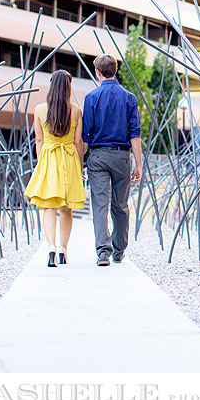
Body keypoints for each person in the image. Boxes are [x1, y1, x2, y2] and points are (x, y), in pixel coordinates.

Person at [82, 54, 143, 266]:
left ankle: (102, 252)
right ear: (114, 70)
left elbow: (86, 134)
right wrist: (139, 164)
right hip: (121, 156)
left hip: (98, 156)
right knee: (120, 205)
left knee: (100, 204)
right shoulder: (129, 98)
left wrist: (82, 162)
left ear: (98, 73)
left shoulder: (91, 97)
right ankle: (119, 251)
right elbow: (135, 133)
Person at [24, 70, 86, 267]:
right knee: (66, 208)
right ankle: (63, 249)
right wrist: (80, 167)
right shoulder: (76, 111)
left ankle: (50, 246)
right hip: (68, 159)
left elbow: (39, 139)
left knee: (49, 207)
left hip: (49, 158)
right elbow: (78, 143)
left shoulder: (40, 109)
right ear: (68, 87)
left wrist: (39, 164)